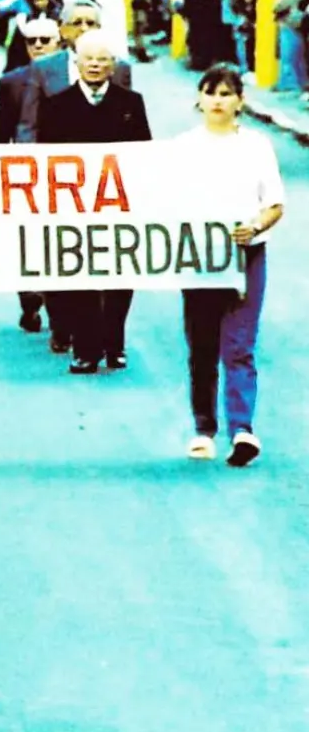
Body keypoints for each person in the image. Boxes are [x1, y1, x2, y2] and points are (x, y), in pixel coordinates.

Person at [178, 65, 284, 466]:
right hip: (198, 257)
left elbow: (274, 203)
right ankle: (204, 428)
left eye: (226, 93)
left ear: (240, 100)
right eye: (210, 93)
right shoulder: (184, 147)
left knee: (239, 344)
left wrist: (254, 225)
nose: (218, 101)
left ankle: (243, 429)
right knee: (202, 345)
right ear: (199, 99)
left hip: (245, 255)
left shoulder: (257, 146)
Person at [36, 29, 152, 375]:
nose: (95, 65)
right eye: (89, 59)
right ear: (77, 62)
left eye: (103, 59)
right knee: (80, 277)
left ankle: (114, 343)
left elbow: (145, 153)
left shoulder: (131, 103)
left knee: (120, 276)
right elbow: (44, 159)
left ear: (113, 65)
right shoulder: (57, 104)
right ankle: (86, 348)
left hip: (120, 207)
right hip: (75, 208)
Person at [0, 15, 62, 334]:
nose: (38, 46)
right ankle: (30, 302)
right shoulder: (11, 81)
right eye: (31, 41)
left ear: (58, 42)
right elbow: (1, 129)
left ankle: (60, 307)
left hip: (64, 172)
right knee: (26, 239)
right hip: (23, 173)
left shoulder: (70, 77)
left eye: (44, 40)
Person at [16, 0, 133, 144]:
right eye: (77, 23)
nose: (84, 29)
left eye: (90, 24)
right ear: (62, 30)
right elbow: (29, 124)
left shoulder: (119, 67)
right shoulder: (42, 68)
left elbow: (129, 124)